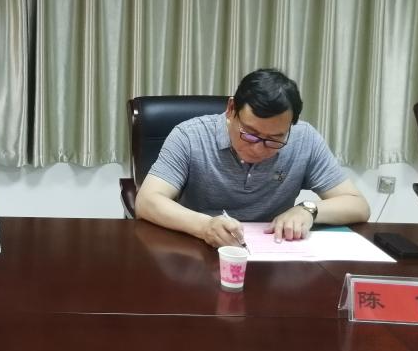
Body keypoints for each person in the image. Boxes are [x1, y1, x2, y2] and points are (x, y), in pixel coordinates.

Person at [135, 68, 369, 248]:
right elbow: (147, 201)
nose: (259, 148)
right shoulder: (190, 136)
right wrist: (205, 226)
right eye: (250, 134)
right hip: (200, 247)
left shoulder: (304, 139)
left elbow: (357, 205)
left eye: (275, 138)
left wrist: (308, 210)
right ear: (231, 110)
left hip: (274, 253)